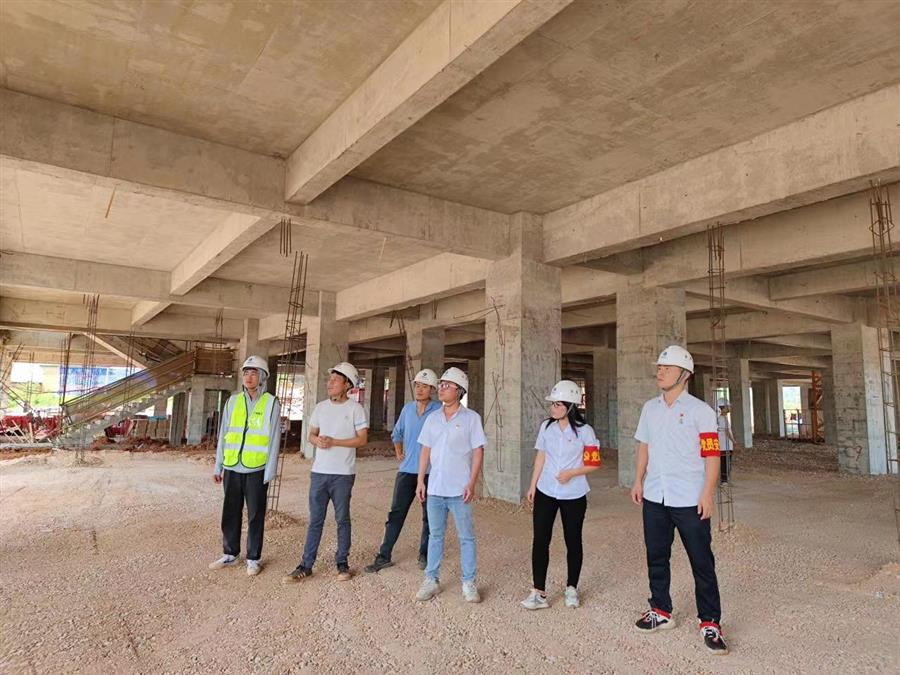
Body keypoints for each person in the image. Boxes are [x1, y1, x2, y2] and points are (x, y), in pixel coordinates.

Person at [630, 345, 729, 655]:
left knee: (701, 561)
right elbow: (644, 446)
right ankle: (660, 610)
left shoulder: (701, 411)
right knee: (656, 556)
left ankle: (710, 621)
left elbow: (712, 455)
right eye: (659, 367)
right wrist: (638, 480)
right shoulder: (650, 409)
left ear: (685, 375)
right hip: (655, 496)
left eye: (667, 368)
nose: (660, 372)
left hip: (689, 499)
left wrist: (707, 493)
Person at [521, 380, 602, 611]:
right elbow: (541, 456)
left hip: (574, 494)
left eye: (557, 404)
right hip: (546, 491)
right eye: (553, 404)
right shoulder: (546, 427)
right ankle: (538, 592)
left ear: (570, 406)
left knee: (573, 540)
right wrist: (533, 485)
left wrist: (572, 473)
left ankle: (571, 588)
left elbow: (594, 463)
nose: (553, 408)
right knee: (540, 540)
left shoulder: (585, 432)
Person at [284, 362, 368, 583]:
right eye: (329, 380)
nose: (330, 383)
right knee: (315, 520)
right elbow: (311, 435)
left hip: (343, 474)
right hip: (319, 472)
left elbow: (362, 439)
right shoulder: (321, 407)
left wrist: (335, 442)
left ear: (347, 384)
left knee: (342, 519)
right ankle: (306, 564)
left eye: (335, 380)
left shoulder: (355, 409)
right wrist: (317, 441)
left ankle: (342, 563)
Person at [414, 367, 486, 603]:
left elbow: (478, 451)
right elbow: (425, 450)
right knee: (435, 535)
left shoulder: (471, 419)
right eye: (441, 385)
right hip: (435, 488)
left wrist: (472, 483)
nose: (441, 388)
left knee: (466, 537)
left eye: (447, 385)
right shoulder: (433, 418)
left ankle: (469, 582)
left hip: (459, 490)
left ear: (459, 391)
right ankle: (431, 580)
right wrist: (421, 480)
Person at [208, 355, 281, 577]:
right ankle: (230, 553)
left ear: (263, 377)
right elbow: (224, 434)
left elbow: (274, 439)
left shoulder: (271, 403)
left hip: (257, 469)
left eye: (253, 373)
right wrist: (218, 465)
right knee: (230, 512)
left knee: (256, 514)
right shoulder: (232, 401)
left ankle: (253, 558)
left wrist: (270, 471)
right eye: (246, 373)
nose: (249, 377)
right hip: (232, 466)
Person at [365, 368, 442, 573]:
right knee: (396, 514)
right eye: (417, 386)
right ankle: (384, 556)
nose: (419, 389)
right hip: (407, 471)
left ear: (432, 390)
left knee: (429, 516)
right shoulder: (408, 409)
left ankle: (424, 554)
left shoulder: (438, 410)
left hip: (431, 473)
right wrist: (399, 453)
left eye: (424, 386)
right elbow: (397, 434)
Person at [716, 399, 736, 484]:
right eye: (728, 406)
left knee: (725, 462)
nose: (729, 408)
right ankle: (724, 481)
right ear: (723, 408)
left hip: (724, 445)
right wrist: (734, 441)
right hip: (725, 445)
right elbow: (727, 432)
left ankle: (725, 480)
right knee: (725, 463)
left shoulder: (722, 418)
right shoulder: (722, 419)